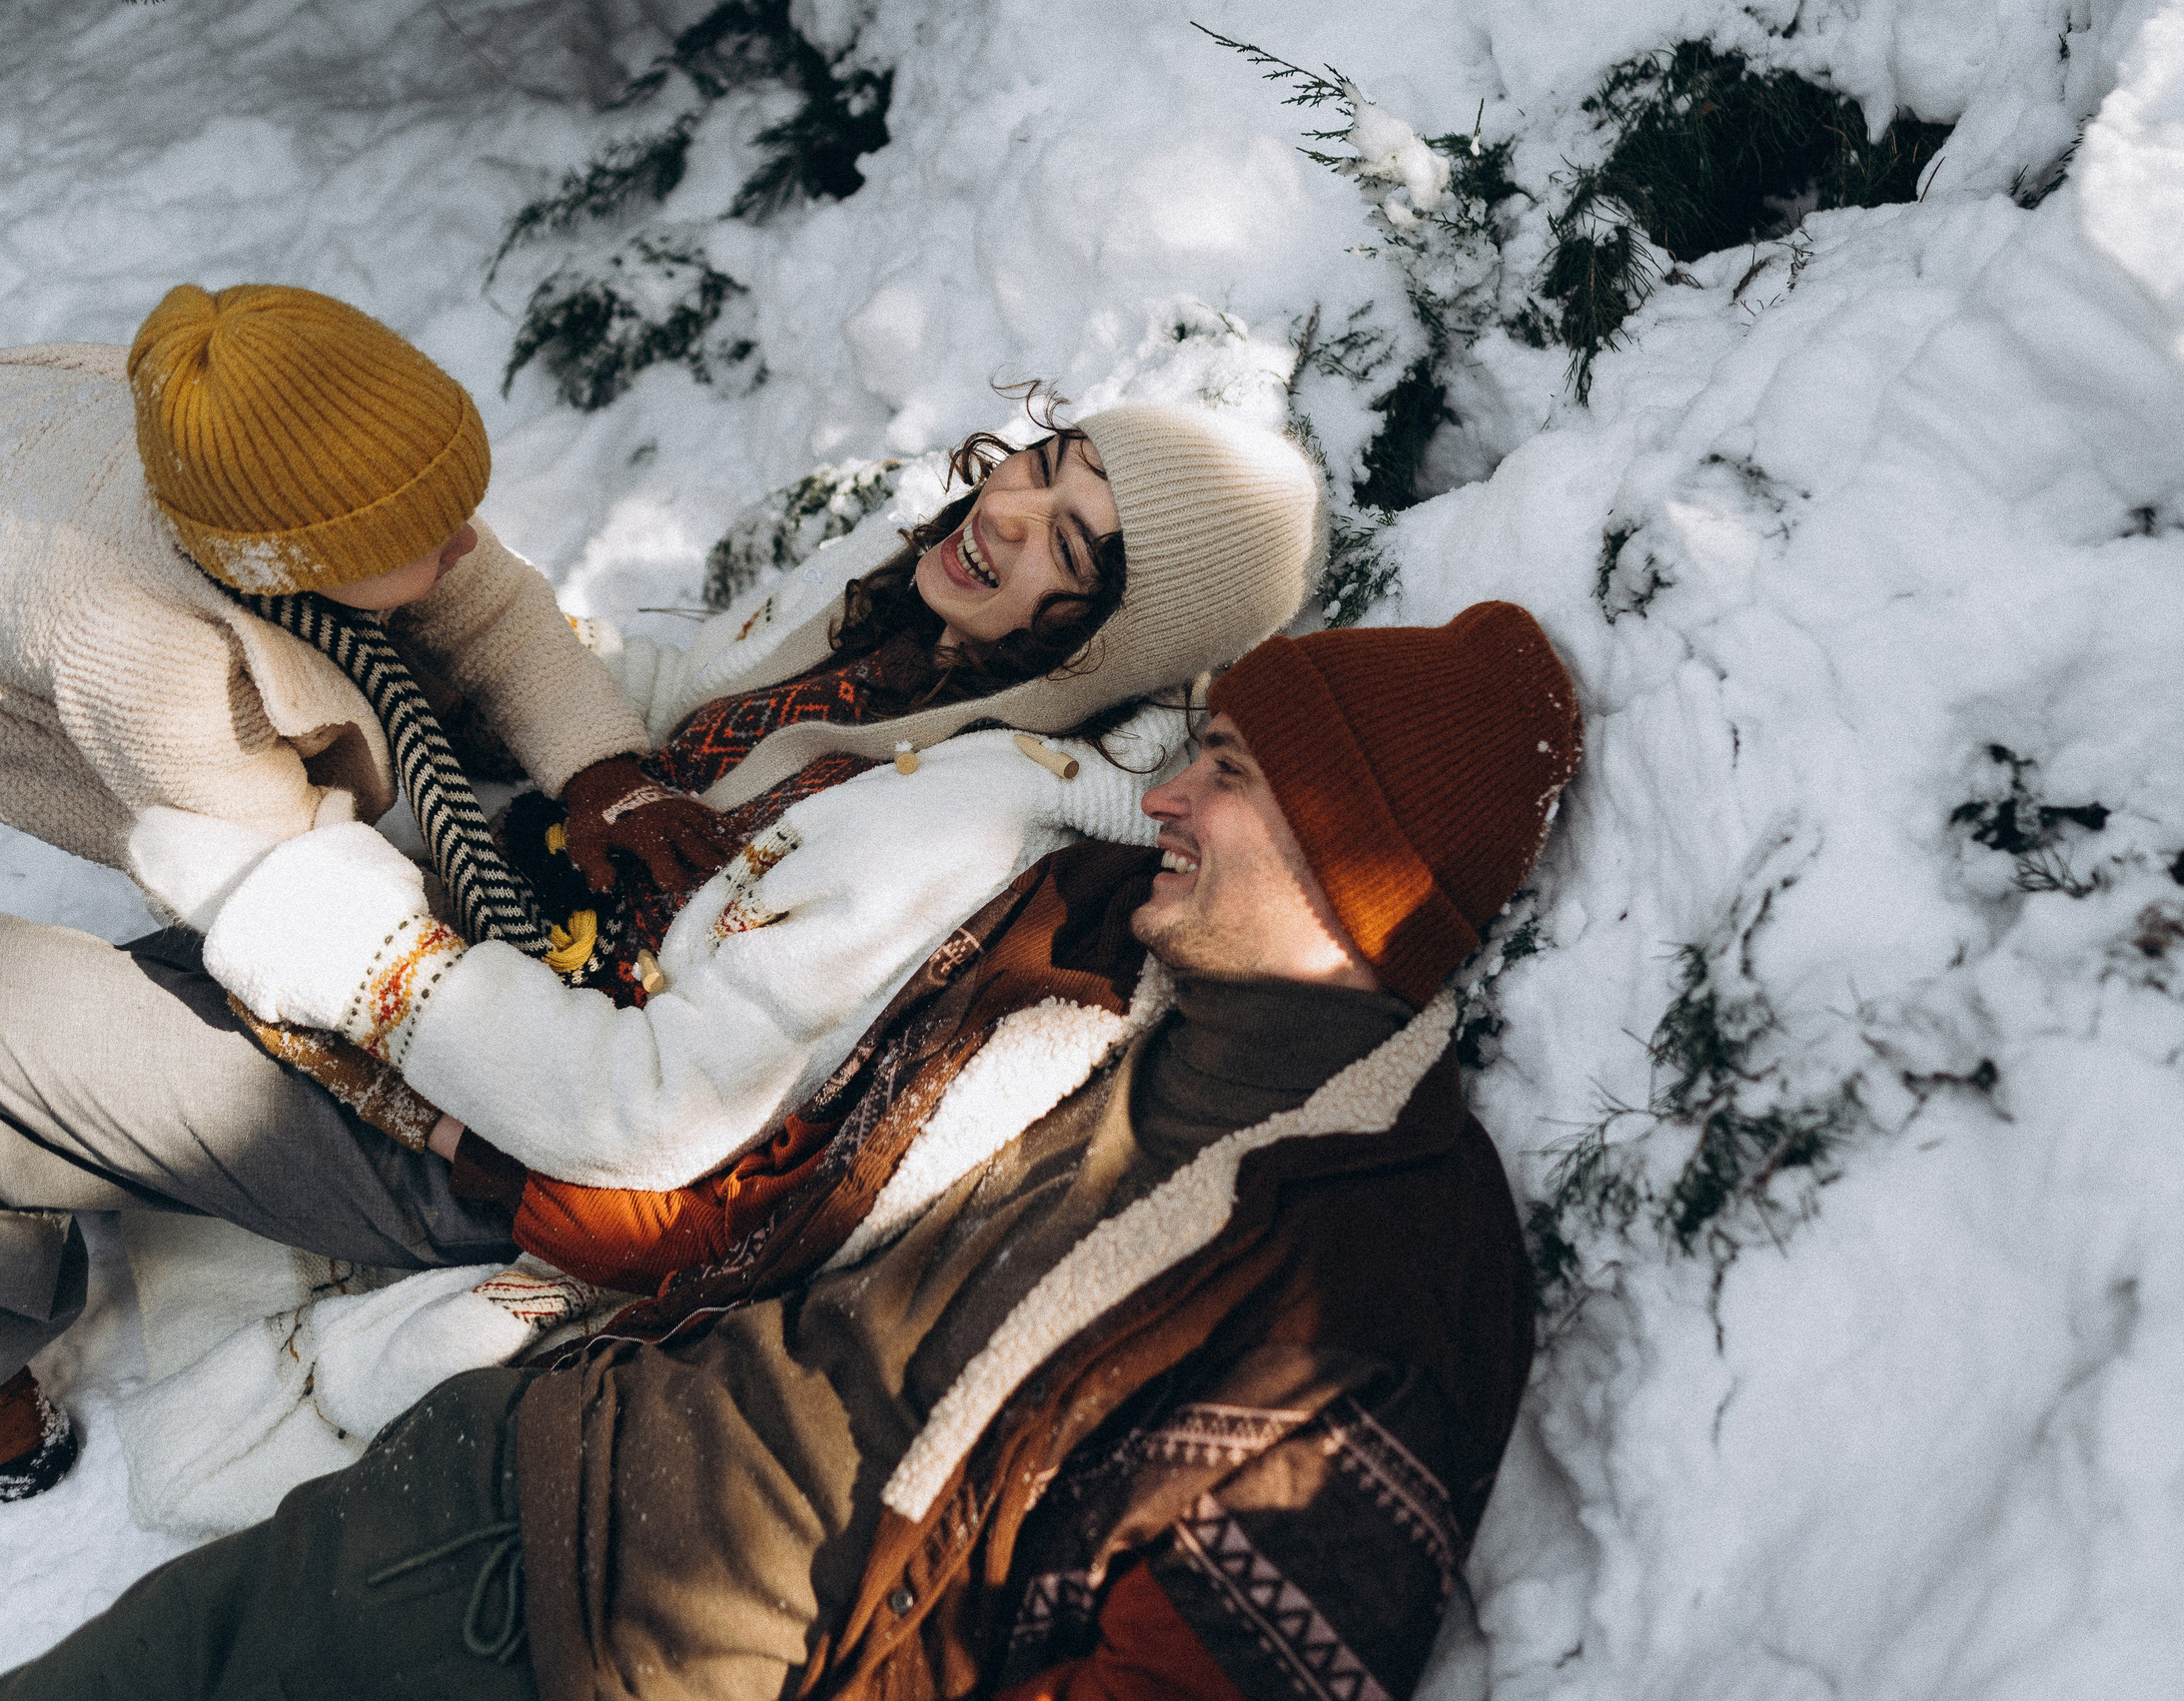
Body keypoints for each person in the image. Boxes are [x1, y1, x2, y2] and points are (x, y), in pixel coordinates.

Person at [1, 599, 1581, 1701]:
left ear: (1356, 849)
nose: (1163, 789)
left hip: (606, 1638)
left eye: (1229, 769)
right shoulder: (1112, 967)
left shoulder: (1386, 1253)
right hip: (502, 1467)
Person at [0, 396, 1324, 1497]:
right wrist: (503, 644)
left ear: (1116, 636)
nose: (1010, 515)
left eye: (1072, 546)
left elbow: (645, 1114)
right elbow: (680, 708)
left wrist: (355, 940)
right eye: (1042, 463)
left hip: (474, 1127)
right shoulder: (900, 620)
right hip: (499, 943)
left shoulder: (963, 822)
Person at [0, 281, 735, 1498]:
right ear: (282, 562)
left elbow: (488, 607)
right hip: (93, 679)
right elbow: (298, 920)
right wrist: (441, 1117)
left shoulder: (289, 464)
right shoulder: (144, 657)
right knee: (204, 927)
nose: (465, 541)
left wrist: (605, 769)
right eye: (424, 535)